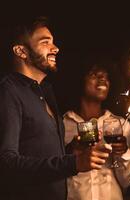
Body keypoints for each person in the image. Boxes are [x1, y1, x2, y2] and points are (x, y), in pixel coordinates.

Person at [0, 17, 110, 200]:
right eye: (45, 42)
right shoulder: (8, 91)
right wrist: (73, 163)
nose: (55, 48)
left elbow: (38, 152)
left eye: (53, 41)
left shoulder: (44, 92)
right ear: (21, 51)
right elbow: (6, 162)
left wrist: (71, 150)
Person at [63, 60, 130, 199]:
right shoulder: (63, 123)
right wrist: (71, 152)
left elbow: (128, 181)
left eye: (106, 76)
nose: (103, 79)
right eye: (95, 74)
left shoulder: (121, 125)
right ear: (80, 79)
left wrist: (123, 153)